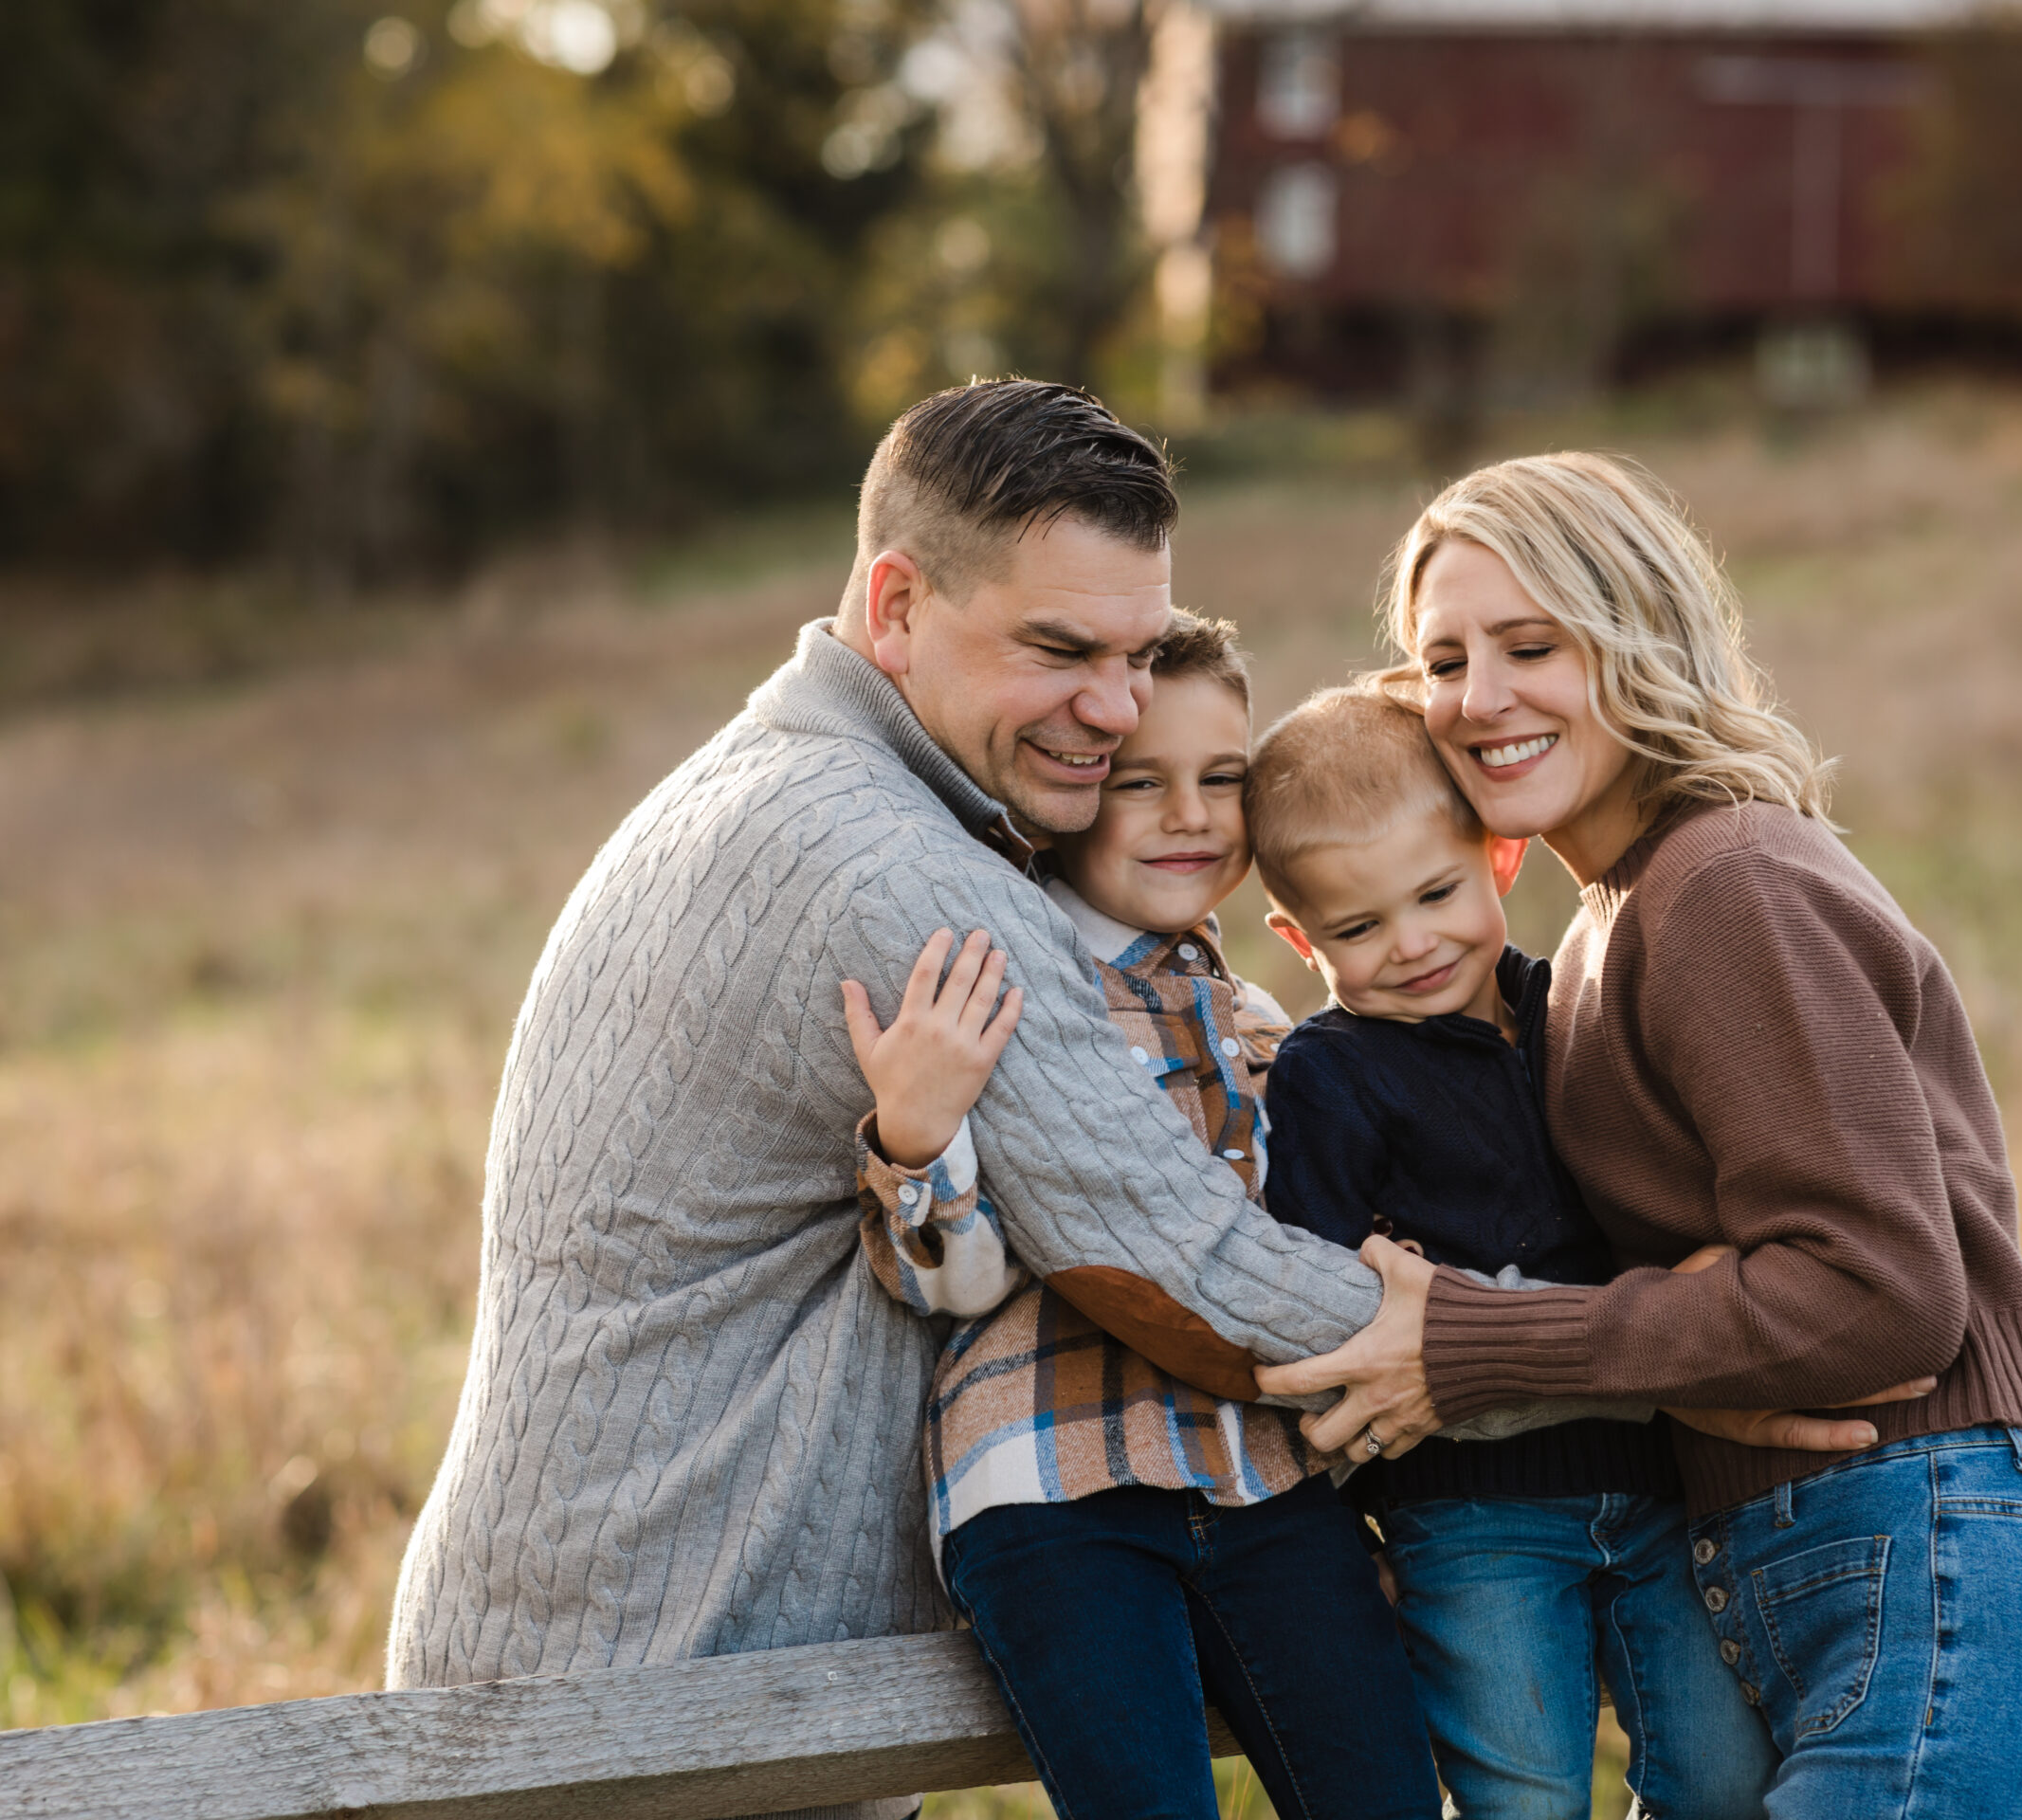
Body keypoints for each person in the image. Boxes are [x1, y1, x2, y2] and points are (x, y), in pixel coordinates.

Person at [385, 384, 1399, 1820]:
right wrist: (1529, 1349)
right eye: (1057, 650)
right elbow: (1190, 1269)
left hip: (591, 1682)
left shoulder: (777, 780)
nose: (1112, 711)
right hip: (649, 1720)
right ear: (897, 604)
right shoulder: (892, 871)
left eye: (1132, 653)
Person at [1260, 452, 2022, 1819]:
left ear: (1636, 638)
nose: (1480, 698)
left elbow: (1878, 1293)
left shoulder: (1726, 881)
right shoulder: (1601, 929)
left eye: (1530, 643)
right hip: (1824, 1569)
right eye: (1443, 659)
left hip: (1936, 1551)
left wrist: (1472, 1347)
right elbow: (1725, 1300)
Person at [842, 615, 1440, 1820]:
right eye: (1139, 784)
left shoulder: (1256, 1012)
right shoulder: (1009, 984)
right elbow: (949, 1287)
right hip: (1057, 1484)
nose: (1192, 816)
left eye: (1222, 779)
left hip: (1263, 1479)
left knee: (1381, 1792)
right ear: (1067, 799)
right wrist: (914, 1136)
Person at [1246, 685, 1776, 1820]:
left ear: (1499, 859)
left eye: (1435, 893)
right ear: (1298, 940)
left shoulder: (1576, 1005)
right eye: (1356, 928)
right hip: (1467, 1514)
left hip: (1661, 1485)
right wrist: (1344, 1539)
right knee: (1521, 1793)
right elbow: (1317, 1306)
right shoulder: (1327, 1078)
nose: (1411, 944)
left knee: (1724, 1775)